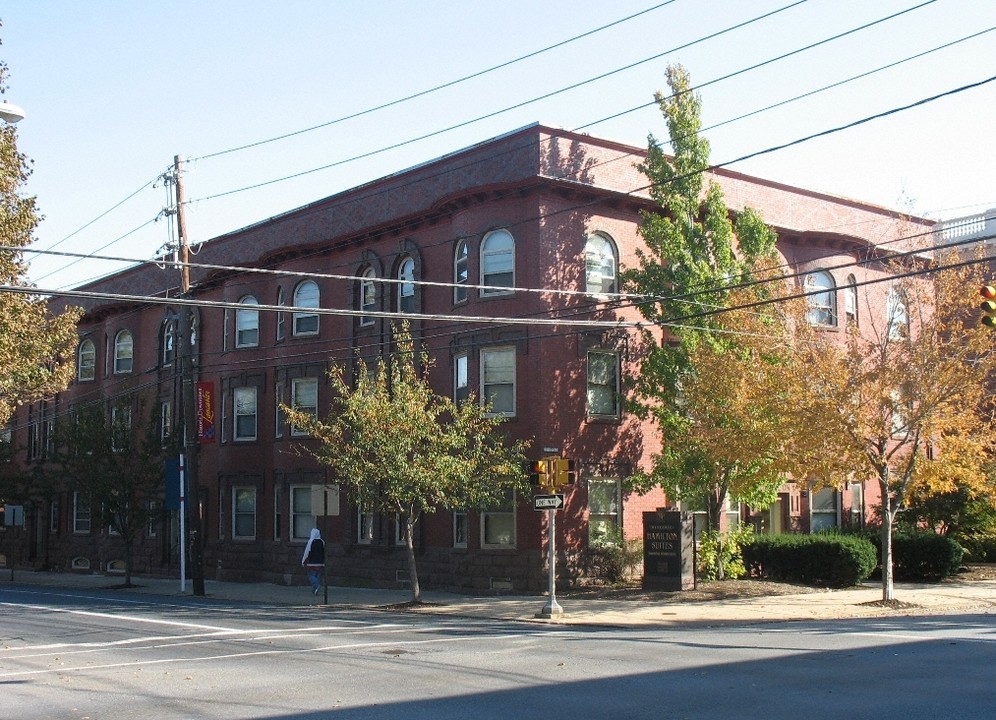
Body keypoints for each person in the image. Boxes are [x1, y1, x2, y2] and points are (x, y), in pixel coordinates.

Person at [301, 528, 325, 595]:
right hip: (320, 562)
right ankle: (314, 590)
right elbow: (323, 552)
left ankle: (317, 585)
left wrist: (303, 561)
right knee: (317, 575)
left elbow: (307, 552)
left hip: (311, 562)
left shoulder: (311, 541)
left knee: (311, 576)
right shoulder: (322, 542)